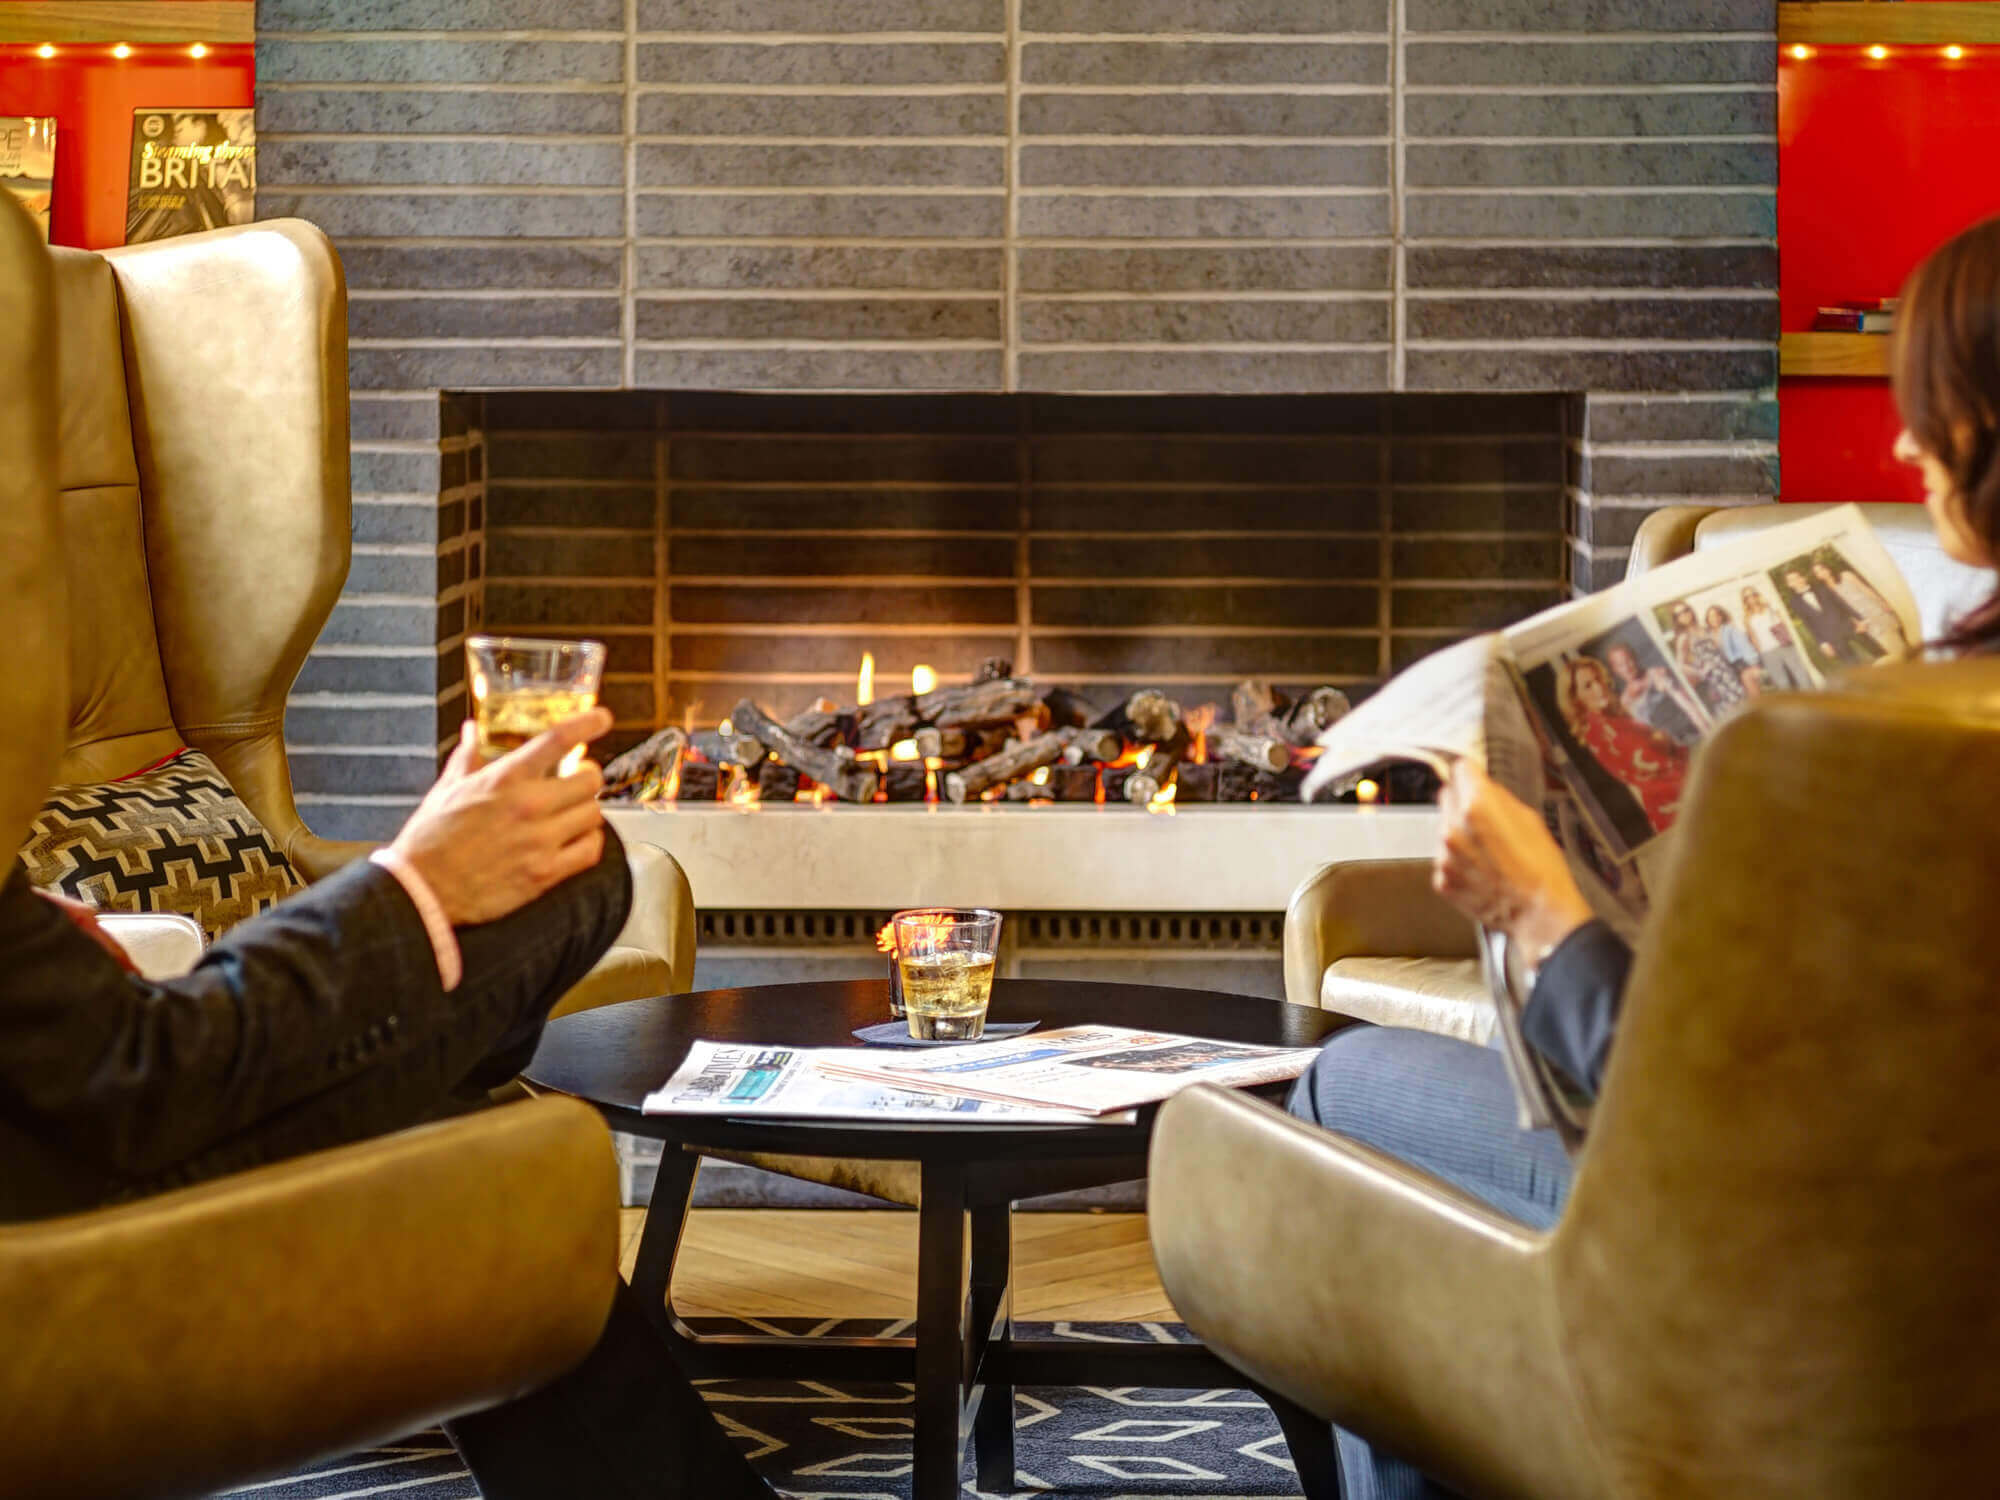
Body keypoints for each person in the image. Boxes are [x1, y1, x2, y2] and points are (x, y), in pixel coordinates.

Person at [1287, 211, 2000, 1500]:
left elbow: (1727, 1126)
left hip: (1818, 1287)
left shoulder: (1909, 748)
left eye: (1930, 409)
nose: (1900, 445)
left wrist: (1546, 915)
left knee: (1345, 1097)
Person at [2, 710, 776, 1500]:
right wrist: (415, 887)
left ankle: (450, 1055)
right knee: (480, 1160)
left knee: (578, 872)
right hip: (59, 1215)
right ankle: (450, 1055)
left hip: (78, 1105)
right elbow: (136, 1077)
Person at [1556, 654, 1689, 838]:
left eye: (1598, 679)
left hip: (1677, 795)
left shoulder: (1610, 718)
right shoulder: (1599, 729)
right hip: (1674, 804)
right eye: (1587, 686)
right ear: (1576, 698)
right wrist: (1663, 738)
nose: (1598, 687)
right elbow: (1651, 756)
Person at [1604, 641, 1703, 746]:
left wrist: (1704, 728)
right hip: (1669, 747)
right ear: (1615, 670)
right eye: (1620, 665)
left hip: (1691, 733)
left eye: (1629, 660)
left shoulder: (1657, 674)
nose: (1627, 668)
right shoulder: (1625, 702)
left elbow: (1689, 705)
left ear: (1634, 657)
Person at [1779, 563, 1876, 665]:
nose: (1796, 581)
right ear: (1789, 584)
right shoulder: (1794, 602)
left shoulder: (1821, 588)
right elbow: (1809, 624)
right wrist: (1823, 643)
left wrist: (1861, 620)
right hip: (1832, 638)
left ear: (1803, 578)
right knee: (1854, 666)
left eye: (1797, 577)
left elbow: (1842, 604)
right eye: (1792, 580)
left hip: (1849, 626)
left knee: (1877, 651)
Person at [1665, 598, 1749, 715]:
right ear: (1676, 619)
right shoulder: (1683, 637)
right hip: (1713, 678)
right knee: (1732, 712)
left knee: (1744, 703)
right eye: (1679, 614)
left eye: (1686, 610)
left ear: (1691, 611)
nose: (1684, 615)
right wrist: (1700, 672)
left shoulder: (1704, 628)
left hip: (1726, 671)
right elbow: (1680, 665)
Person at [1817, 556, 1910, 658]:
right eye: (1818, 572)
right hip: (1863, 619)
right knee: (1889, 647)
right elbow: (1841, 611)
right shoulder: (1826, 591)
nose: (1822, 573)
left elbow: (1865, 589)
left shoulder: (1846, 575)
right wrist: (1855, 623)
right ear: (1817, 576)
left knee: (1897, 638)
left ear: (1827, 567)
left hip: (1874, 609)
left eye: (1822, 569)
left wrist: (1882, 602)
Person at [1741, 583, 1813, 690]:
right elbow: (1753, 637)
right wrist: (1761, 654)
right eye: (1747, 597)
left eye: (1753, 594)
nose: (1751, 598)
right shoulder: (1747, 618)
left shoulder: (1769, 607)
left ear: (1757, 595)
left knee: (1800, 673)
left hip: (1783, 644)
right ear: (1745, 600)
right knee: (1782, 682)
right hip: (1768, 651)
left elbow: (1783, 621)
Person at [1705, 602, 1764, 696]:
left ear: (1721, 617)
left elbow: (1745, 646)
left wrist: (1754, 664)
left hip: (1741, 667)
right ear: (1707, 619)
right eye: (1711, 616)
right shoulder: (1708, 635)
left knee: (1755, 696)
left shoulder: (1730, 630)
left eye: (1717, 615)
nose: (1714, 618)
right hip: (1725, 671)